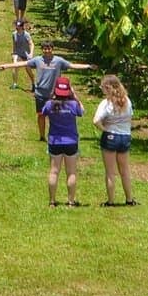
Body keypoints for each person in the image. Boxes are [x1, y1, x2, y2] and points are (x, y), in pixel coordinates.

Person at [0, 41, 96, 141]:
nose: (47, 51)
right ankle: (42, 136)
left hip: (55, 95)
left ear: (52, 49)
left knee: (55, 115)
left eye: (49, 49)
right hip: (40, 94)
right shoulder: (38, 60)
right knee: (41, 115)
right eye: (44, 49)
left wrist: (88, 66)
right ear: (42, 50)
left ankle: (54, 134)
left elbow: (72, 65)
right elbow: (22, 63)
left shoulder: (59, 61)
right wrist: (6, 66)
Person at [93, 74, 136, 207]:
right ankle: (129, 199)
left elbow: (96, 121)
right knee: (125, 170)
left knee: (110, 172)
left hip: (111, 137)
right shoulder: (127, 101)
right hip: (125, 137)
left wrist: (105, 129)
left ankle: (111, 201)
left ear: (108, 88)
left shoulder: (106, 103)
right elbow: (130, 118)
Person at [42, 77, 84, 207]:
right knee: (71, 172)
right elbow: (82, 111)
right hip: (71, 141)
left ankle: (52, 201)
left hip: (55, 141)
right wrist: (75, 96)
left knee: (54, 171)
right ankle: (71, 201)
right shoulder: (73, 105)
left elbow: (42, 113)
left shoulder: (50, 104)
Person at [9, 19, 34, 90]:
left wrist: (31, 54)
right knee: (15, 66)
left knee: (28, 70)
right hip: (18, 54)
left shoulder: (26, 35)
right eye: (17, 26)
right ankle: (14, 84)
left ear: (23, 26)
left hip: (26, 55)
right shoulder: (14, 34)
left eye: (20, 26)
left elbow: (31, 44)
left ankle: (33, 83)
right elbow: (14, 44)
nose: (18, 27)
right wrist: (13, 53)